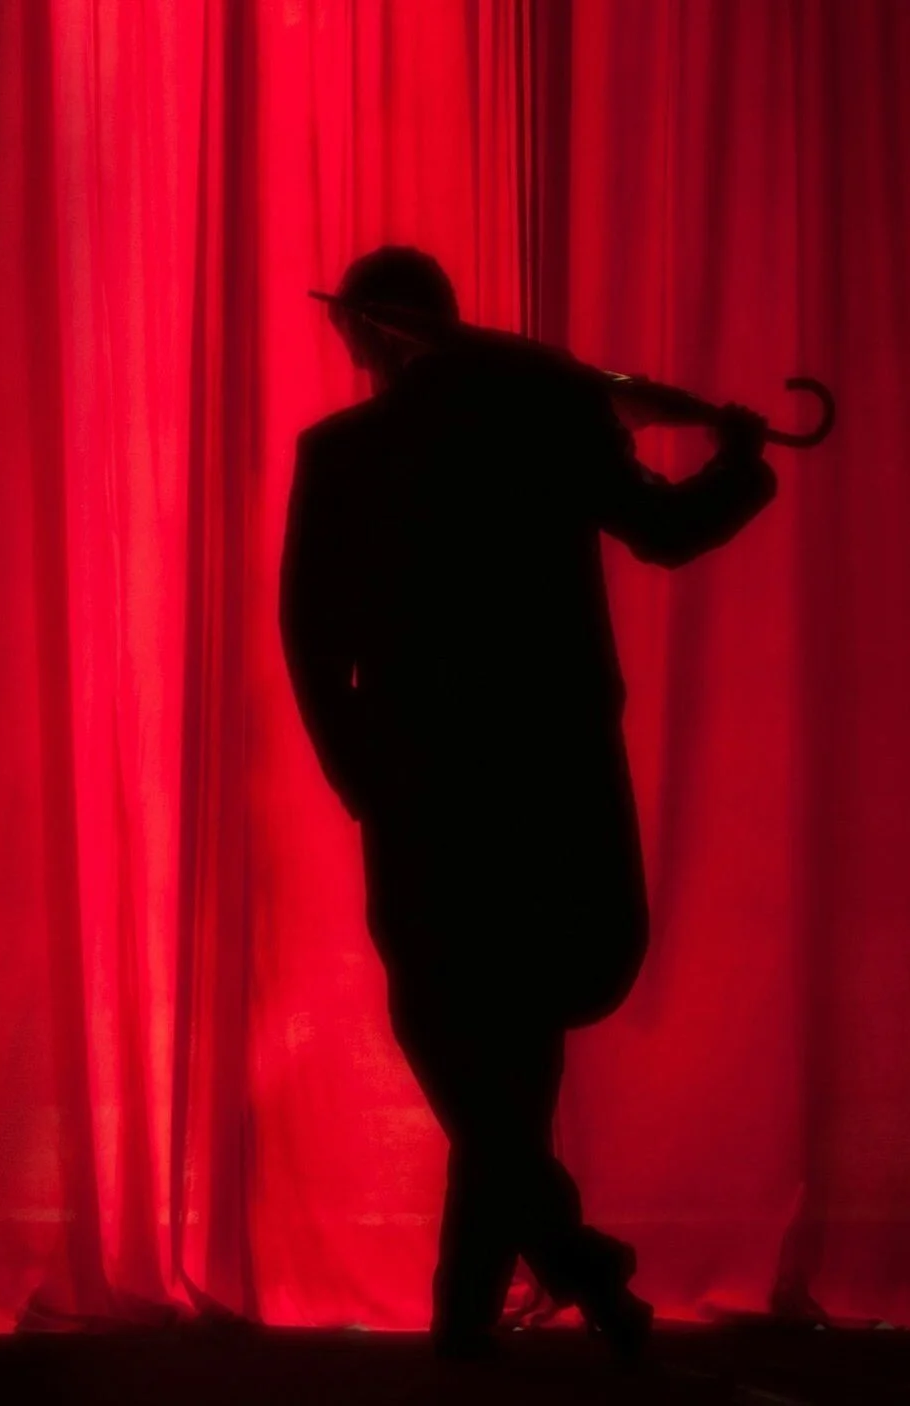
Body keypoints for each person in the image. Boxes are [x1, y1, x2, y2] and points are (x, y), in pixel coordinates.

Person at [280, 247, 777, 1362]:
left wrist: (361, 774)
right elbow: (665, 529)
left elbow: (311, 638)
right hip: (547, 773)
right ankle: (547, 1279)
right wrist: (741, 462)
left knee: (455, 1032)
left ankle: (503, 1296)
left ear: (365, 336)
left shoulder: (346, 451)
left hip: (424, 781)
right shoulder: (550, 415)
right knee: (513, 1042)